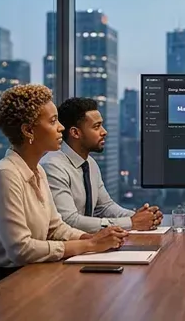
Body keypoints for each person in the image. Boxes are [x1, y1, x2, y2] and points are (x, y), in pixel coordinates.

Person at [0, 84, 125, 282]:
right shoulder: (5, 175)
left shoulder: (37, 170)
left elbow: (56, 228)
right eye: (53, 121)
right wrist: (89, 246)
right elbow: (20, 250)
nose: (61, 128)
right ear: (28, 130)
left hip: (24, 273)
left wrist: (91, 238)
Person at [42, 96, 162, 232]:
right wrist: (131, 222)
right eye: (96, 126)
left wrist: (142, 217)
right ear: (75, 133)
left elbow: (105, 206)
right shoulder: (53, 166)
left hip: (88, 245)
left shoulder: (90, 163)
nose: (104, 132)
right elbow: (69, 221)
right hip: (67, 248)